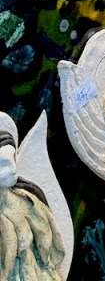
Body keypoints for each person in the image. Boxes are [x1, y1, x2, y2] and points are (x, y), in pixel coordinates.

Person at [0, 117, 66, 281]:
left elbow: (47, 234)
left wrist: (46, 259)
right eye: (3, 164)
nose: (12, 169)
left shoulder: (27, 199)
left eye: (12, 161)